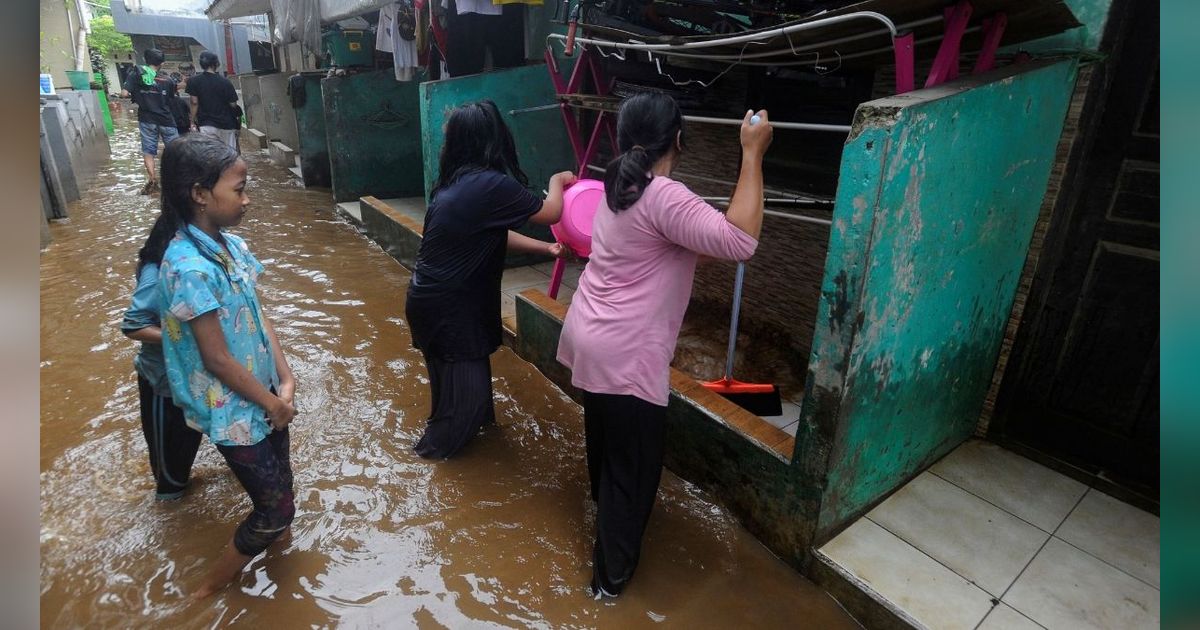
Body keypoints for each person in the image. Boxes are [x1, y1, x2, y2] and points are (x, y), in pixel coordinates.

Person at [556, 93, 773, 598]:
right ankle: (607, 590)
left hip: (590, 335)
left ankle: (603, 530)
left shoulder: (618, 183)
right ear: (678, 140)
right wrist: (752, 153)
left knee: (609, 453)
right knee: (632, 477)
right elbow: (742, 242)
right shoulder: (663, 194)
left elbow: (682, 244)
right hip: (626, 355)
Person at [155, 133, 298, 598]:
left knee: (283, 492)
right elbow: (215, 357)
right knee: (273, 509)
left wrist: (285, 378)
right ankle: (207, 591)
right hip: (233, 409)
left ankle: (285, 565)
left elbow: (258, 314)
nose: (247, 199)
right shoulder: (188, 266)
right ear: (199, 194)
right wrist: (270, 403)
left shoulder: (230, 247)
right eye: (238, 189)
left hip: (265, 395)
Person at [405, 100, 576, 459]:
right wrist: (558, 180)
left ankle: (466, 461)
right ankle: (429, 472)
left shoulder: (455, 184)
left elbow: (493, 235)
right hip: (452, 309)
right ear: (495, 139)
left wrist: (546, 250)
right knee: (459, 415)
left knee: (471, 406)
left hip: (433, 303)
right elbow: (552, 211)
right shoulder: (491, 184)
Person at [120, 212, 204, 501]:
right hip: (163, 384)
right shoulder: (156, 274)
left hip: (196, 379)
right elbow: (133, 325)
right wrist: (186, 339)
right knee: (170, 479)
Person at [121, 49, 180, 195]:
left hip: (146, 119)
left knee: (148, 152)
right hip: (166, 119)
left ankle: (153, 179)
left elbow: (124, 94)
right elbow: (172, 99)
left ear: (146, 60)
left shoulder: (136, 75)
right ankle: (177, 179)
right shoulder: (167, 80)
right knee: (176, 150)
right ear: (162, 63)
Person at [187, 51, 241, 151]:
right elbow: (233, 105)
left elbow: (194, 102)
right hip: (227, 124)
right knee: (229, 154)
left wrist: (192, 122)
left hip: (206, 124)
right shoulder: (225, 82)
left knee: (210, 154)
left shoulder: (193, 81)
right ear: (216, 64)